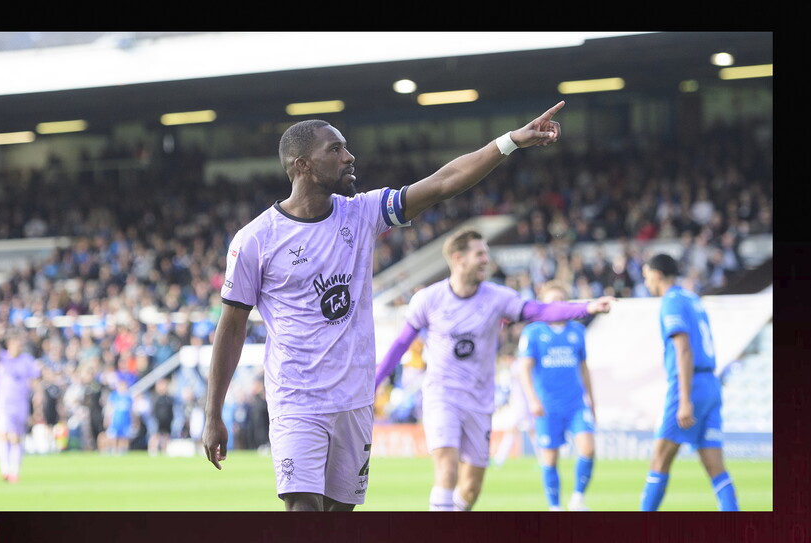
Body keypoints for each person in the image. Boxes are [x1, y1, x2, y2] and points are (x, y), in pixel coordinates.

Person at [203, 101, 567, 512]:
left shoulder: (362, 213)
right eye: (335, 150)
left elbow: (445, 181)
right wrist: (213, 412)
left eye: (346, 147)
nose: (349, 156)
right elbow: (231, 327)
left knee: (340, 514)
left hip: (355, 399)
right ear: (301, 164)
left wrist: (510, 142)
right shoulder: (255, 239)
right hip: (295, 398)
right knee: (304, 509)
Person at [374, 231, 614, 511]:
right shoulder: (428, 299)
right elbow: (401, 344)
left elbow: (540, 311)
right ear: (458, 258)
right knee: (447, 469)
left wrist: (586, 307)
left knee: (472, 487)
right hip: (442, 395)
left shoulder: (498, 298)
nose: (487, 260)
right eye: (480, 254)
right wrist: (375, 382)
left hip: (479, 399)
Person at [639, 253, 739, 511]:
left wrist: (684, 399)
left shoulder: (670, 301)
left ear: (658, 274)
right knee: (715, 467)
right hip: (710, 384)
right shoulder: (692, 299)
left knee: (659, 460)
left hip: (689, 385)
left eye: (647, 275)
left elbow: (683, 348)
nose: (645, 280)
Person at [516, 281, 597, 511]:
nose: (557, 306)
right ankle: (555, 507)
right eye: (552, 302)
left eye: (561, 301)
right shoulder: (533, 332)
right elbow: (524, 369)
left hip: (576, 404)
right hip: (547, 405)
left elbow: (584, 368)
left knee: (588, 448)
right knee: (550, 459)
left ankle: (578, 498)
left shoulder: (578, 331)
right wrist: (532, 399)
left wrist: (592, 400)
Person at [0, 332, 41, 483]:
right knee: (4, 435)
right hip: (3, 403)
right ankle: (5, 470)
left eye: (20, 343)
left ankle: (15, 471)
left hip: (20, 403)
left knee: (16, 437)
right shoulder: (3, 358)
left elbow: (35, 379)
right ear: (9, 344)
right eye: (15, 342)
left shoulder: (27, 360)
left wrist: (38, 396)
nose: (18, 345)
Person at [149, 378, 176, 456]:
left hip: (167, 420)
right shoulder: (155, 397)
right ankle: (153, 450)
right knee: (155, 435)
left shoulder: (169, 398)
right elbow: (153, 410)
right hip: (157, 420)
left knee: (166, 436)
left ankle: (164, 451)